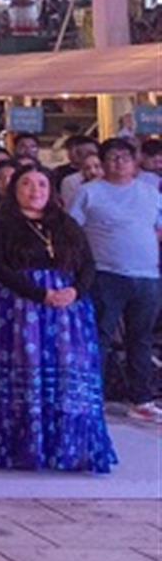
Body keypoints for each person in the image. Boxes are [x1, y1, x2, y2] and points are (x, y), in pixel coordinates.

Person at [0, 164, 117, 471]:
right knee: (21, 377)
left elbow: (88, 264)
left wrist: (75, 291)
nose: (35, 191)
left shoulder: (65, 224)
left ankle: (65, 447)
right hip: (14, 310)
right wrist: (39, 295)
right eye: (26, 184)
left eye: (42, 185)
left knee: (65, 376)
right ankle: (18, 446)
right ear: (13, 189)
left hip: (66, 315)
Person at [66, 138, 162, 424]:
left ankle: (141, 398)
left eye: (124, 157)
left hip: (147, 275)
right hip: (106, 274)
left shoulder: (151, 192)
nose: (118, 162)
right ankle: (93, 395)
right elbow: (72, 234)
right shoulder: (88, 193)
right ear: (102, 162)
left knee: (141, 339)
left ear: (135, 162)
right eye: (112, 157)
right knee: (100, 337)